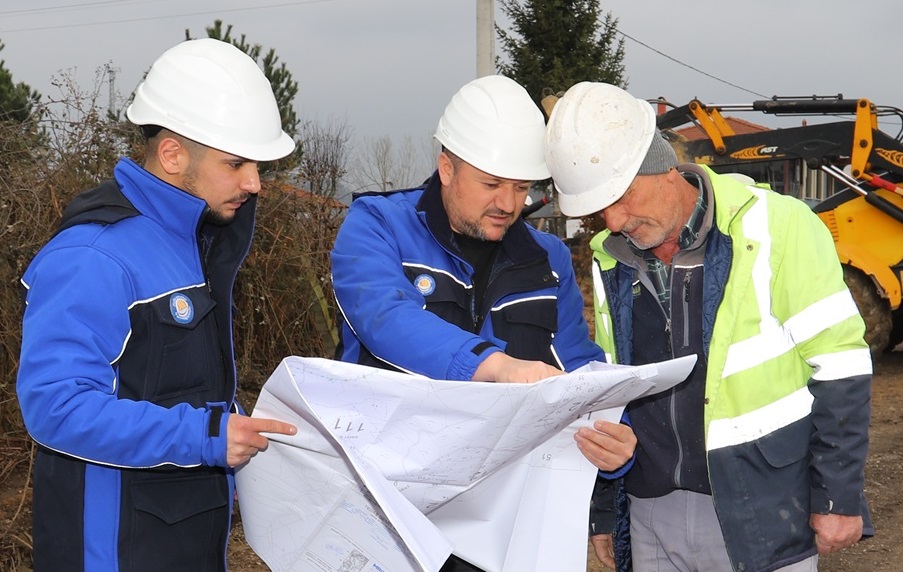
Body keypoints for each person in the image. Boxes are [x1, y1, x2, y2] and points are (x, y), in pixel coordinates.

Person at [544, 81, 873, 572]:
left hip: (761, 501)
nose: (614, 220)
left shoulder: (779, 227)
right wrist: (605, 511)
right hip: (651, 508)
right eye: (598, 209)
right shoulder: (609, 262)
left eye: (624, 195)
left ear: (663, 167)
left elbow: (841, 361)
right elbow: (609, 395)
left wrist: (837, 496)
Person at [330, 74, 637, 571]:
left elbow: (578, 375)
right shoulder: (377, 225)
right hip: (389, 519)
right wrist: (492, 365)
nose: (509, 204)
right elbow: (385, 318)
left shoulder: (548, 259)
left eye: (521, 187)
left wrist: (612, 445)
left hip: (505, 528)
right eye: (491, 184)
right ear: (446, 167)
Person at [16, 38, 298, 571]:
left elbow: (170, 388)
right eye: (236, 163)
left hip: (184, 538)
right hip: (112, 550)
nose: (255, 182)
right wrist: (208, 436)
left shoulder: (197, 242)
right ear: (172, 155)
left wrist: (234, 429)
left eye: (256, 164)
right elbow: (56, 406)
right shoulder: (94, 254)